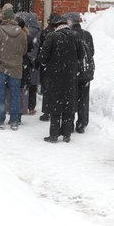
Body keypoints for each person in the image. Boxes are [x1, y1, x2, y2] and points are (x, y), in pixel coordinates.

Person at [38, 15, 80, 143]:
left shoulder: (52, 36)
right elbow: (81, 55)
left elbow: (43, 57)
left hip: (54, 76)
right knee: (68, 105)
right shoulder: (75, 35)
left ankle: (54, 135)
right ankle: (67, 134)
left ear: (55, 26)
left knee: (55, 106)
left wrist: (48, 63)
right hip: (70, 76)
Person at [0, 3, 28, 130]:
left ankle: (0, 120)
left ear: (3, 18)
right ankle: (14, 120)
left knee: (0, 94)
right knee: (15, 94)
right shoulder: (21, 33)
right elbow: (24, 50)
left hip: (0, 68)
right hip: (16, 68)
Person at [65, 12, 95, 134]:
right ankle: (82, 124)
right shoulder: (87, 35)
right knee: (83, 99)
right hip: (86, 72)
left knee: (71, 98)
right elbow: (91, 53)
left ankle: (70, 123)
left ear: (70, 22)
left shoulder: (68, 35)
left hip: (72, 72)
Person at [38, 12, 61, 122]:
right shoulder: (60, 33)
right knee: (56, 90)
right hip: (58, 66)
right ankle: (55, 111)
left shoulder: (45, 33)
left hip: (47, 66)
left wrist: (42, 62)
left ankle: (47, 112)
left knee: (47, 90)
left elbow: (42, 50)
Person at [18, 12, 42, 116]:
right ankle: (31, 107)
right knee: (33, 86)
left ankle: (23, 105)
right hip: (35, 63)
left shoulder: (23, 31)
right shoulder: (39, 32)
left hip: (25, 61)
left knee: (24, 85)